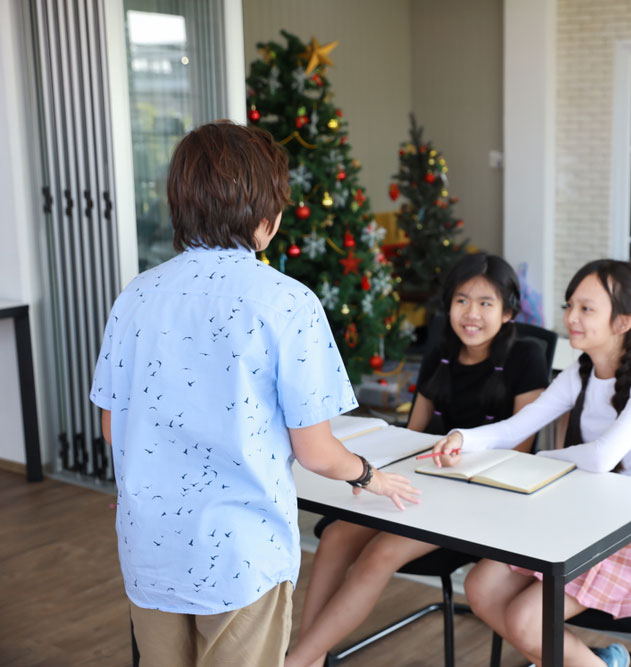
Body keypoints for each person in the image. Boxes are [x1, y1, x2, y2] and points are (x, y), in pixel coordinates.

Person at [89, 121, 419, 666]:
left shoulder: (137, 295)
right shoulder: (287, 303)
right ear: (266, 220)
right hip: (239, 555)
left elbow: (111, 426)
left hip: (150, 545)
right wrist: (367, 473)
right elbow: (315, 450)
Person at [430, 259, 631, 667]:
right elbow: (515, 427)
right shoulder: (579, 373)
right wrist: (463, 438)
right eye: (569, 305)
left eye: (586, 309)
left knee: (526, 622)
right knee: (480, 589)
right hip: (585, 512)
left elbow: (602, 456)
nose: (570, 318)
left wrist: (543, 458)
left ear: (623, 321)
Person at [285, 253, 548, 667]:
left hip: (483, 497)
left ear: (509, 311)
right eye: (461, 300)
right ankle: (311, 656)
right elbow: (411, 434)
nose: (471, 314)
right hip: (423, 482)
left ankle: (295, 662)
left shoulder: (527, 356)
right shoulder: (441, 352)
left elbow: (516, 450)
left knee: (380, 554)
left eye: (486, 303)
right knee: (336, 535)